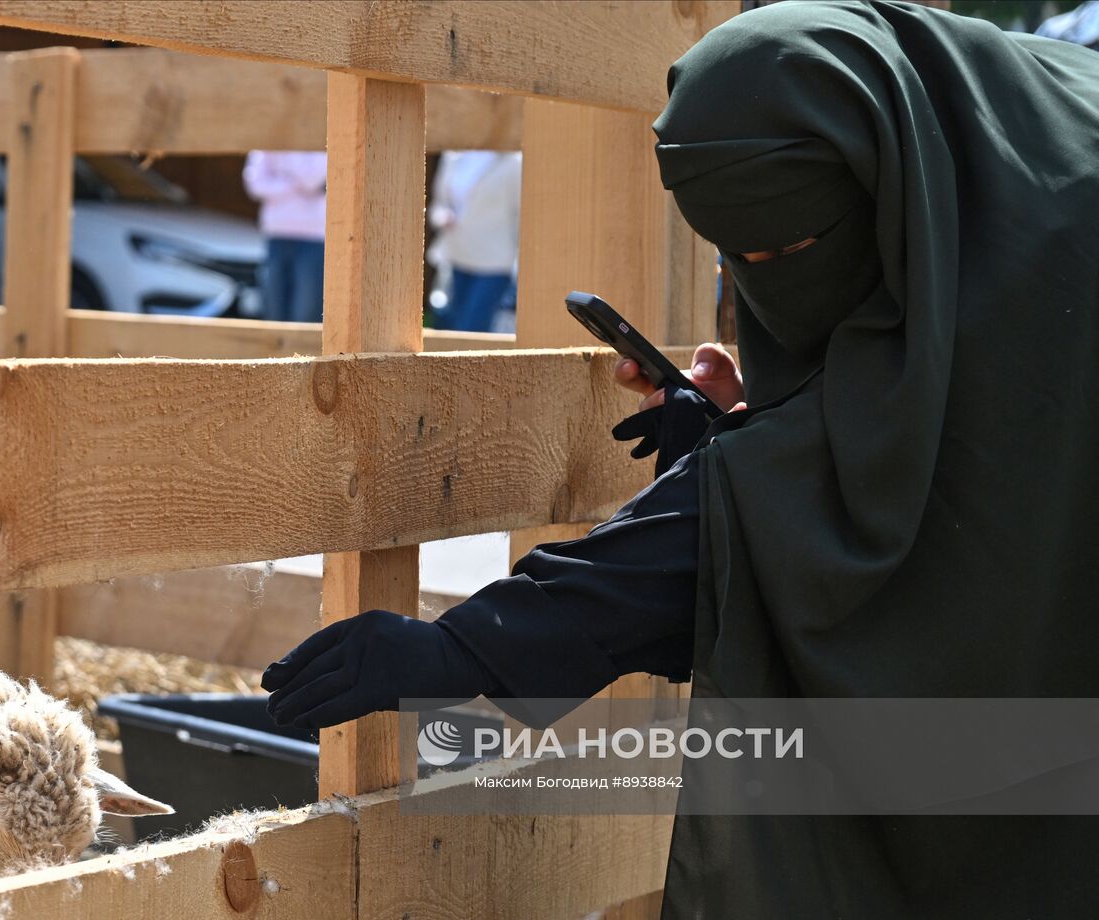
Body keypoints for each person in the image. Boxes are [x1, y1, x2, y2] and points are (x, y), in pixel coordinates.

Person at [264, 1, 1099, 916]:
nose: (774, 276)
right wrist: (751, 430)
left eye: (796, 245)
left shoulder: (1057, 238)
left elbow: (850, 496)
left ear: (882, 181)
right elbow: (841, 464)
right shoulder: (956, 167)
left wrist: (472, 647)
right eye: (740, 259)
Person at [427, 151, 522, 332]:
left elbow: (520, 214)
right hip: (455, 258)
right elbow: (439, 205)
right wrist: (443, 217)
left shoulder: (513, 162)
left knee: (471, 329)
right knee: (447, 328)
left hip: (494, 264)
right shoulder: (453, 156)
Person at [242, 151, 327, 323]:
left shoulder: (321, 135)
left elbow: (312, 180)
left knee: (307, 312)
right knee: (273, 309)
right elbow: (254, 183)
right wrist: (295, 183)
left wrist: (283, 167)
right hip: (276, 234)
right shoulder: (270, 139)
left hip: (313, 237)